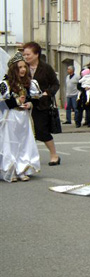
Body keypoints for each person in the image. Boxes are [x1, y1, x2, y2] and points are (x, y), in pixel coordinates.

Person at [0, 52, 41, 182]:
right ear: (13, 70)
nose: (23, 69)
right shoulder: (5, 84)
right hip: (10, 118)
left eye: (24, 67)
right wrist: (17, 102)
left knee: (24, 143)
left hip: (24, 118)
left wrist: (29, 104)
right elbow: (2, 104)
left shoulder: (29, 83)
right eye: (20, 67)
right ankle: (10, 170)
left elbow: (34, 100)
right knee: (11, 144)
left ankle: (22, 169)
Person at [23, 42, 61, 166]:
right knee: (26, 132)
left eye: (28, 54)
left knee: (41, 130)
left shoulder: (46, 68)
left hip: (41, 104)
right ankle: (26, 157)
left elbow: (56, 84)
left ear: (36, 54)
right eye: (24, 54)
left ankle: (54, 155)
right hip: (25, 104)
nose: (26, 57)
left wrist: (47, 93)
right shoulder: (23, 67)